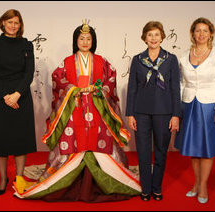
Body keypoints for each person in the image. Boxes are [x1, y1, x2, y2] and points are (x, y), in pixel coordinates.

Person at [13, 20, 141, 202]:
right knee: (75, 144)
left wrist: (99, 89)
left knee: (98, 142)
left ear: (93, 41)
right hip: (75, 110)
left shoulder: (101, 62)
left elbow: (110, 80)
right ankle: (70, 184)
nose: (85, 42)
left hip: (97, 109)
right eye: (82, 38)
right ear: (76, 40)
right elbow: (58, 81)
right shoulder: (67, 62)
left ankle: (102, 182)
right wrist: (73, 89)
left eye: (89, 39)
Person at [174, 17, 215, 204]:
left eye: (205, 31)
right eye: (198, 31)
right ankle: (196, 184)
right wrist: (178, 107)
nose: (201, 34)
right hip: (188, 104)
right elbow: (181, 83)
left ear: (211, 33)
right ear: (192, 34)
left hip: (209, 106)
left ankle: (203, 185)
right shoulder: (183, 56)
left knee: (207, 148)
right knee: (193, 148)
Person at [125, 21, 181, 201]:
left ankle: (156, 187)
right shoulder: (137, 59)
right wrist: (130, 113)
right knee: (142, 150)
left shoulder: (170, 59)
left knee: (160, 151)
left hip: (164, 112)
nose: (153, 38)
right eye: (150, 35)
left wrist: (176, 115)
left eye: (157, 34)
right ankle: (145, 188)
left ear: (162, 37)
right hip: (141, 112)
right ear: (144, 38)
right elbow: (132, 87)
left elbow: (175, 88)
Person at [0, 9, 37, 195]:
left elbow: (28, 73)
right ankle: (2, 178)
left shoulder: (26, 44)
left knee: (20, 139)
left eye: (16, 23)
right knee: (1, 140)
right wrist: (6, 96)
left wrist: (16, 94)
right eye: (10, 22)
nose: (13, 26)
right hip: (0, 98)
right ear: (3, 23)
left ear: (20, 25)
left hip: (21, 96)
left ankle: (20, 177)